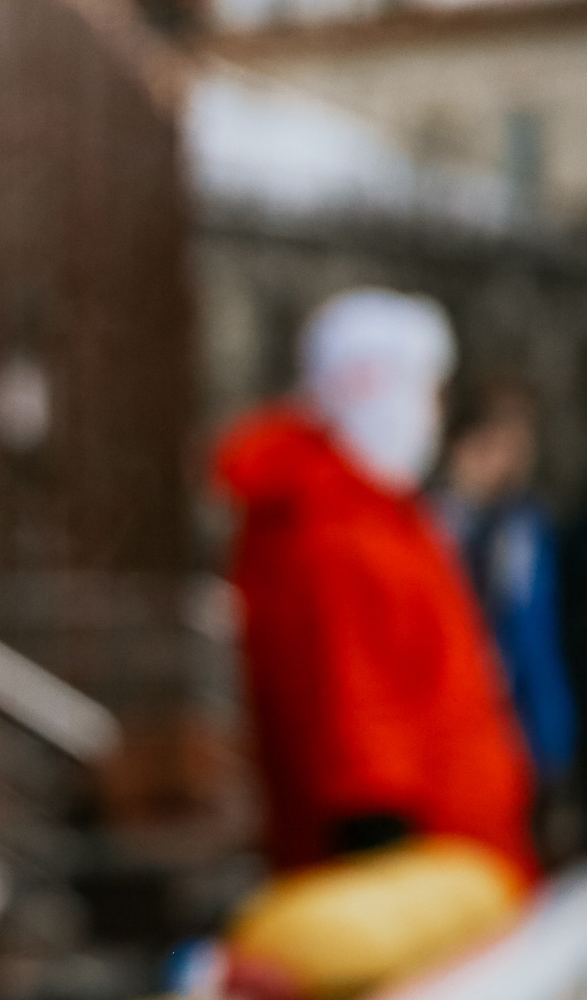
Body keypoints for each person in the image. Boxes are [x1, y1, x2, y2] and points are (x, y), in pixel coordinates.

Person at [212, 288, 534, 879]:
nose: (435, 416)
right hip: (421, 865)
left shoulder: (376, 513)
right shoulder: (333, 528)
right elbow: (354, 713)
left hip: (452, 852)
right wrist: (383, 853)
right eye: (428, 394)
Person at [430, 380, 575, 807]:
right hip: (457, 732)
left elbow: (544, 637)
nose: (511, 458)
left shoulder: (528, 528)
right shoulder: (429, 522)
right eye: (496, 442)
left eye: (520, 442)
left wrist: (554, 742)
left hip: (528, 734)